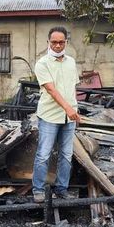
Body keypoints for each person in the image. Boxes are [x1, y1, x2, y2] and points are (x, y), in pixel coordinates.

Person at [32, 26, 81, 202]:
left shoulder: (71, 62)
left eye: (61, 42)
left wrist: (74, 109)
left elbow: (72, 88)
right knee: (44, 154)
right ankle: (38, 190)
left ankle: (62, 189)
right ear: (48, 43)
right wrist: (68, 108)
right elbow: (52, 90)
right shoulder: (42, 64)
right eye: (54, 42)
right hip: (49, 116)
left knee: (66, 154)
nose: (58, 46)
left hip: (69, 117)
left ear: (66, 42)